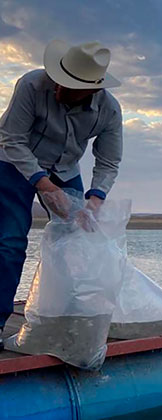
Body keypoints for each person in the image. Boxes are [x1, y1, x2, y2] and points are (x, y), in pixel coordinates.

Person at [0, 40, 123, 350]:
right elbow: (12, 139)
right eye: (59, 81)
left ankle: (68, 320)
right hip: (13, 162)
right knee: (9, 243)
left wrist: (94, 200)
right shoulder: (31, 84)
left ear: (93, 90)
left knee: (78, 242)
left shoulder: (109, 110)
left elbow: (108, 161)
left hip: (65, 168)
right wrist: (44, 185)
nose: (59, 91)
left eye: (70, 88)